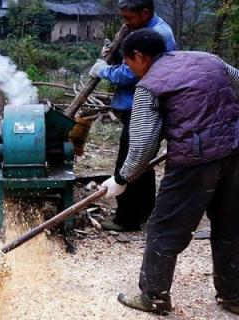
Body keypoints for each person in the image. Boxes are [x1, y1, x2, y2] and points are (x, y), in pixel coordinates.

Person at [101, 29, 239, 315]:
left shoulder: (150, 85)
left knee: (163, 227)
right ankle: (233, 295)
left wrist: (122, 179)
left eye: (129, 64)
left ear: (139, 56)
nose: (131, 70)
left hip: (193, 161)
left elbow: (143, 145)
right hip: (234, 152)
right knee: (230, 223)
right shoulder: (210, 60)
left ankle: (153, 296)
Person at [89, 0, 176, 232]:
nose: (125, 23)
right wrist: (114, 53)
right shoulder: (142, 31)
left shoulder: (158, 34)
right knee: (143, 165)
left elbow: (131, 74)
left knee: (129, 161)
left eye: (129, 18)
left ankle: (126, 219)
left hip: (145, 109)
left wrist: (104, 70)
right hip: (135, 106)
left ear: (145, 12)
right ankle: (146, 213)